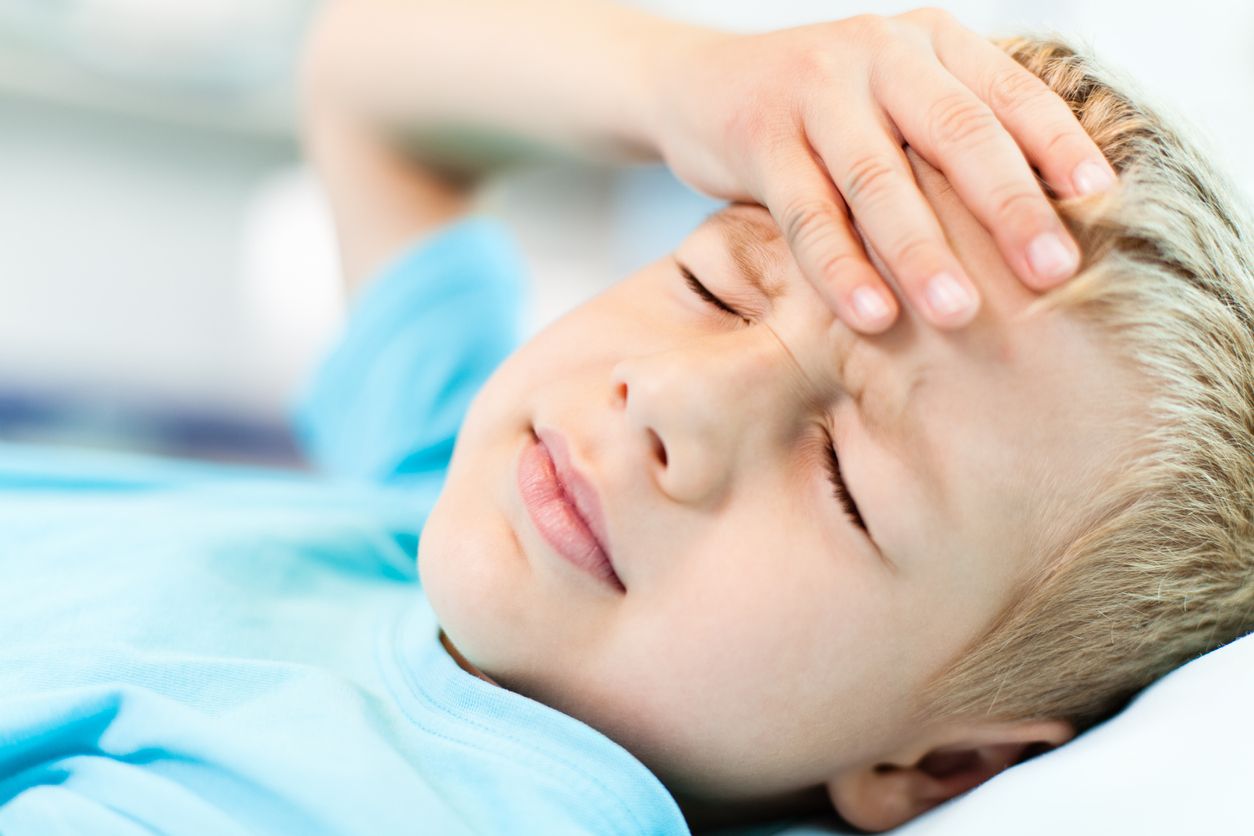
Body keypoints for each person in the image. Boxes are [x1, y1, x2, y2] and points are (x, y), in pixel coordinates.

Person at [0, 3, 1249, 835]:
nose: (671, 399)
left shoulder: (345, 802)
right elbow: (367, 82)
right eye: (721, 281)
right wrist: (685, 81)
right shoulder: (473, 535)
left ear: (942, 768)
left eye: (844, 478)